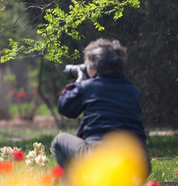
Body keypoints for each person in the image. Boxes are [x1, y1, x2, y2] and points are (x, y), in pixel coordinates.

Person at [51, 38, 150, 173]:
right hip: (138, 161)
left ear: (93, 67)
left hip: (99, 157)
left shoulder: (88, 87)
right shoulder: (133, 90)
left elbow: (65, 108)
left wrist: (79, 81)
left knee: (59, 141)